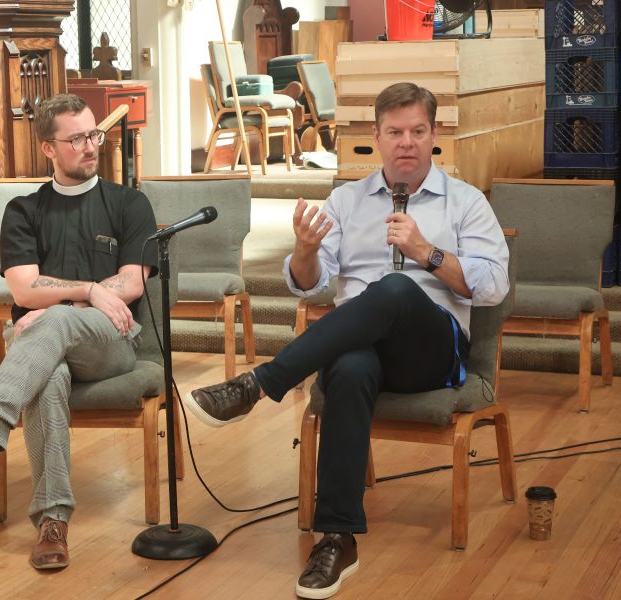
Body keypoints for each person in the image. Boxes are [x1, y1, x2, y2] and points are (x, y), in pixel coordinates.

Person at [184, 82, 509, 599]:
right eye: (395, 132)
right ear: (375, 138)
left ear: (434, 137)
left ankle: (258, 385)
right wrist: (304, 250)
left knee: (395, 287)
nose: (406, 142)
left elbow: (493, 287)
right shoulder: (346, 200)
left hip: (429, 353)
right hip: (360, 349)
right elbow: (310, 283)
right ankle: (337, 537)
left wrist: (428, 253)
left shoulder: (466, 203)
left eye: (418, 132)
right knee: (351, 366)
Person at [0, 93, 158, 570]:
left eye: (92, 133)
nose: (90, 145)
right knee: (47, 378)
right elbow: (22, 288)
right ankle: (53, 523)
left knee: (50, 321)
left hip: (110, 340)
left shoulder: (129, 203)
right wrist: (92, 290)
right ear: (49, 149)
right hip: (44, 347)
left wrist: (80, 297)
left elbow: (132, 282)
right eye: (75, 139)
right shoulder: (23, 211)